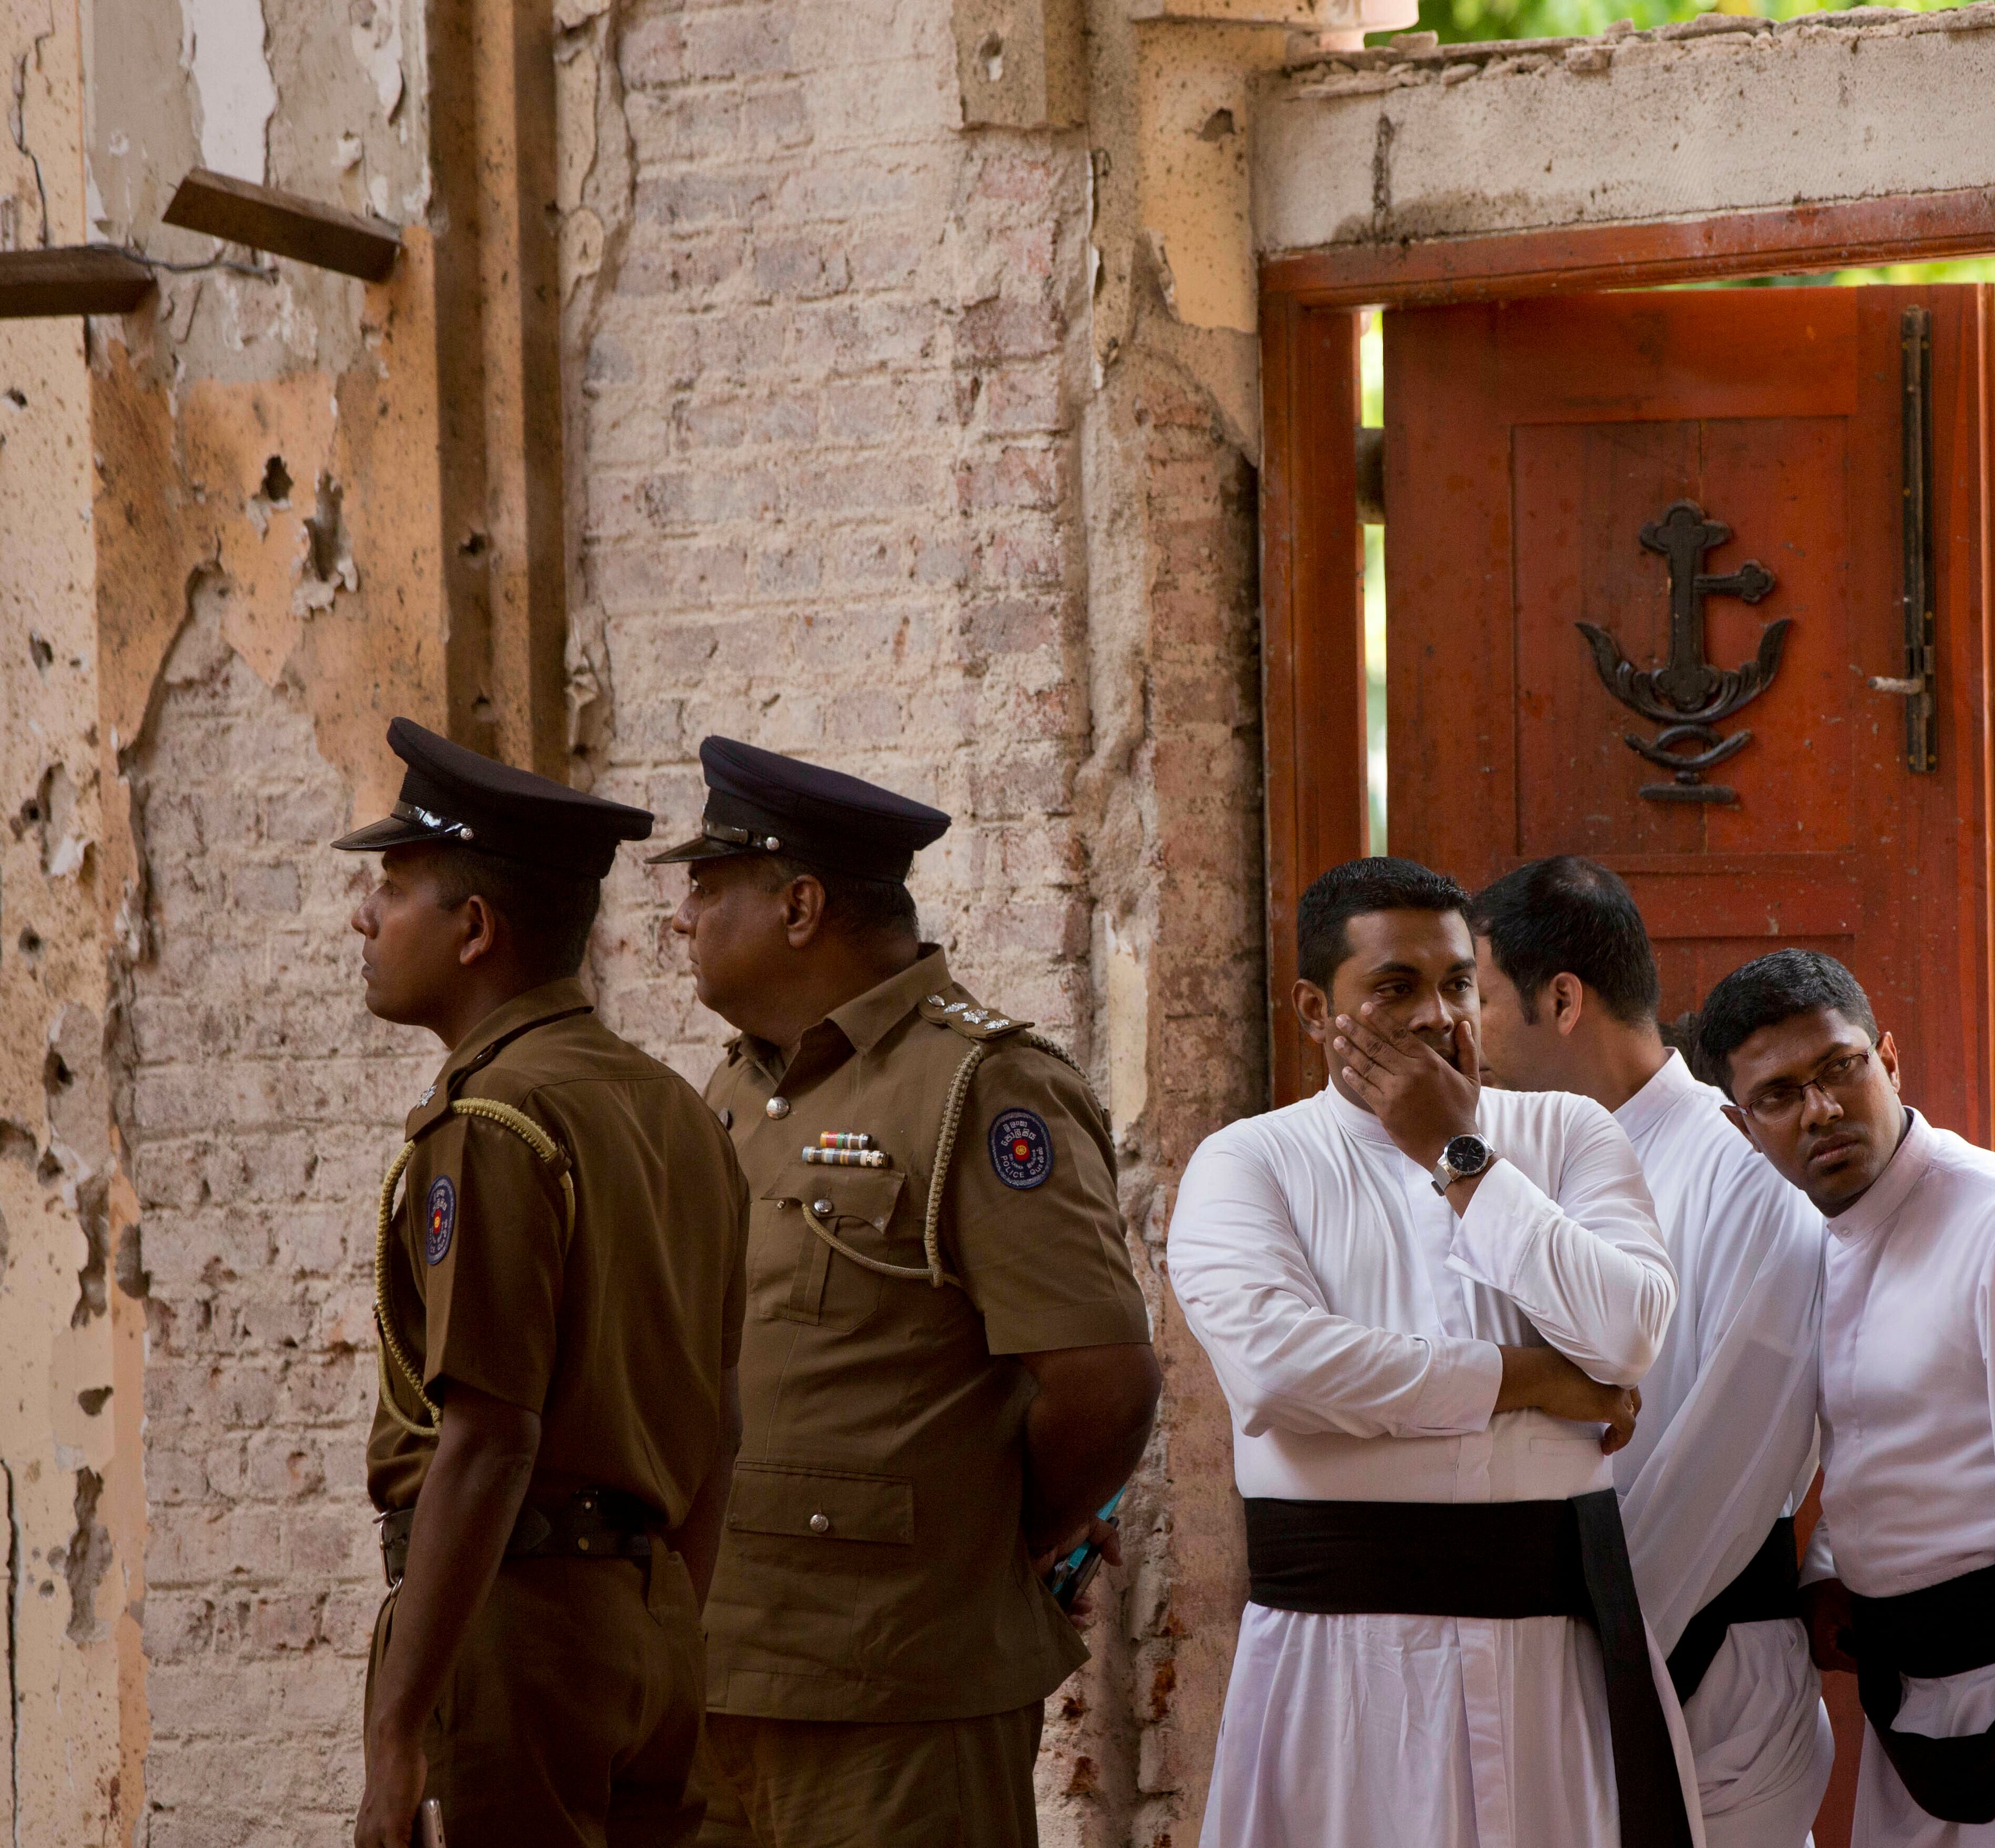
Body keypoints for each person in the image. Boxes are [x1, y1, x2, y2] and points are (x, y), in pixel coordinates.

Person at [655, 735, 1160, 1848]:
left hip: (895, 1685)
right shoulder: (736, 1087)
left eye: (707, 886)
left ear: (799, 907)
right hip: (720, 1664)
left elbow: (1103, 1384)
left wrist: (1004, 1543)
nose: (683, 919)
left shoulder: (982, 1085)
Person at [1169, 855, 1702, 1848]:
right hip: (1341, 1669)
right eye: (1394, 988)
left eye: (1458, 983)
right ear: (1315, 1010)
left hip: (1550, 1661)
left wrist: (1463, 1160)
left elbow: (1629, 1332)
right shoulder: (1250, 1162)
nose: (1435, 1016)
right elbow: (1282, 1372)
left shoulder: (1567, 1133)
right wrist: (1531, 1379)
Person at [342, 718, 750, 1848]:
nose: (365, 916)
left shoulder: (492, 1119)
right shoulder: (677, 1111)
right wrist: (663, 1612)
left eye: (394, 888)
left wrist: (396, 1731)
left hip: (517, 1632)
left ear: (476, 929)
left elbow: (487, 1440)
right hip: (651, 1620)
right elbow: (719, 1426)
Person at [1695, 950, 1995, 1848]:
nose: (1821, 1110)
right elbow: (1879, 1435)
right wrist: (1832, 1572)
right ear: (1740, 1126)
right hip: (1916, 1714)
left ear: (1889, 1059)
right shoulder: (1815, 1245)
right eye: (1779, 1095)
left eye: (1840, 1068)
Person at [1470, 857, 1833, 1848]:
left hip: (1698, 1673)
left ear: (1563, 1000)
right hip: (1556, 1664)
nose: (1463, 1032)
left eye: (1480, 998)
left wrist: (1580, 1670)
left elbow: (1728, 1460)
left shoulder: (1743, 1174)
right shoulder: (1518, 1168)